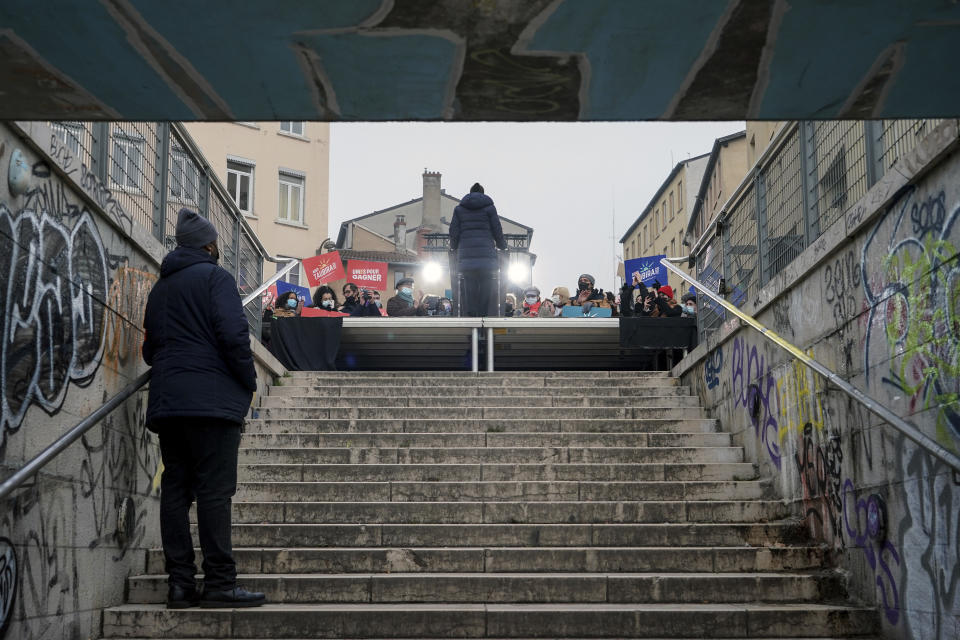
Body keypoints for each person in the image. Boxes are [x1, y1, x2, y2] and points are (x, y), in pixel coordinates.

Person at [141, 208, 265, 609]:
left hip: (169, 403)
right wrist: (249, 380)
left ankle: (180, 585)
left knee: (176, 490)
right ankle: (219, 584)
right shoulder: (217, 278)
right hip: (211, 405)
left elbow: (149, 349)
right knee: (214, 492)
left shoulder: (161, 288)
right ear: (210, 245)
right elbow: (233, 336)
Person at [449, 183, 507, 316]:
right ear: (483, 193)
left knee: (469, 289)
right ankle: (483, 317)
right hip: (487, 259)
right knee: (486, 288)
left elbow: (454, 232)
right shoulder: (490, 209)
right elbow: (497, 230)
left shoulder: (459, 210)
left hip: (467, 259)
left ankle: (472, 319)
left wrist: (453, 247)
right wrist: (502, 246)